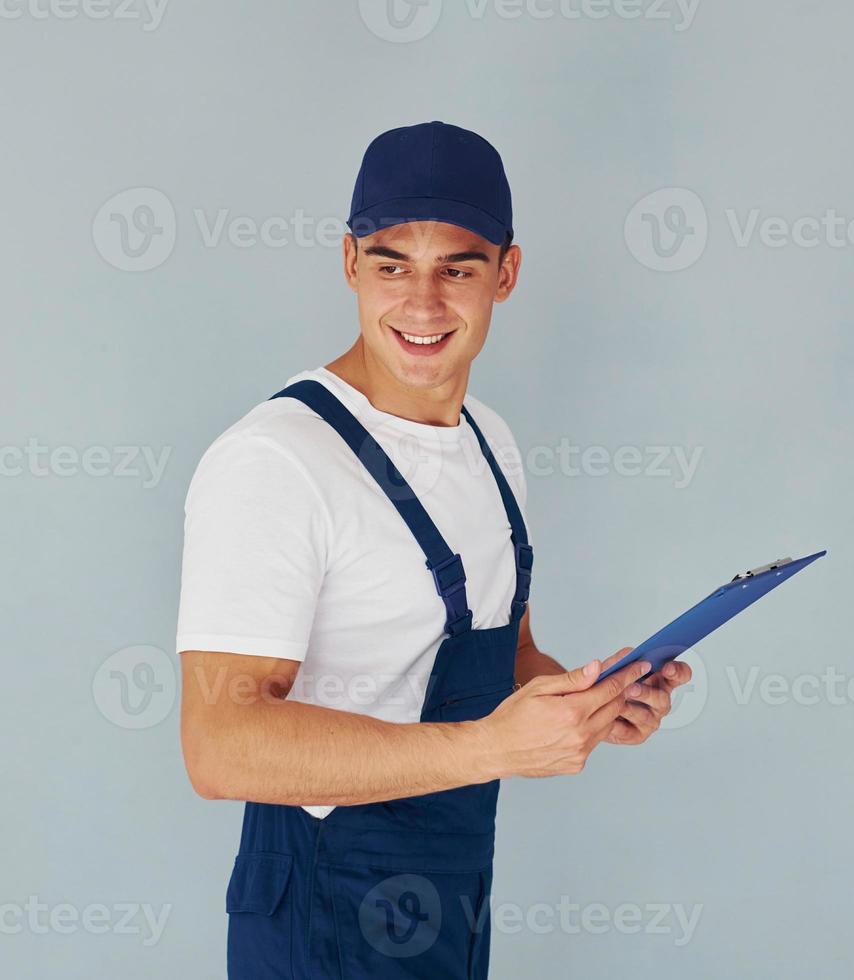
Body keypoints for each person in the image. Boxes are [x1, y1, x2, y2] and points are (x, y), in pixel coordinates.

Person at [175, 119, 692, 980]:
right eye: (391, 265)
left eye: (457, 268)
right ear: (349, 266)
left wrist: (589, 702)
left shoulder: (490, 443)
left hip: (448, 897)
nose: (422, 304)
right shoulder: (275, 462)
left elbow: (509, 654)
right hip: (320, 912)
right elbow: (220, 744)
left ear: (507, 274)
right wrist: (494, 750)